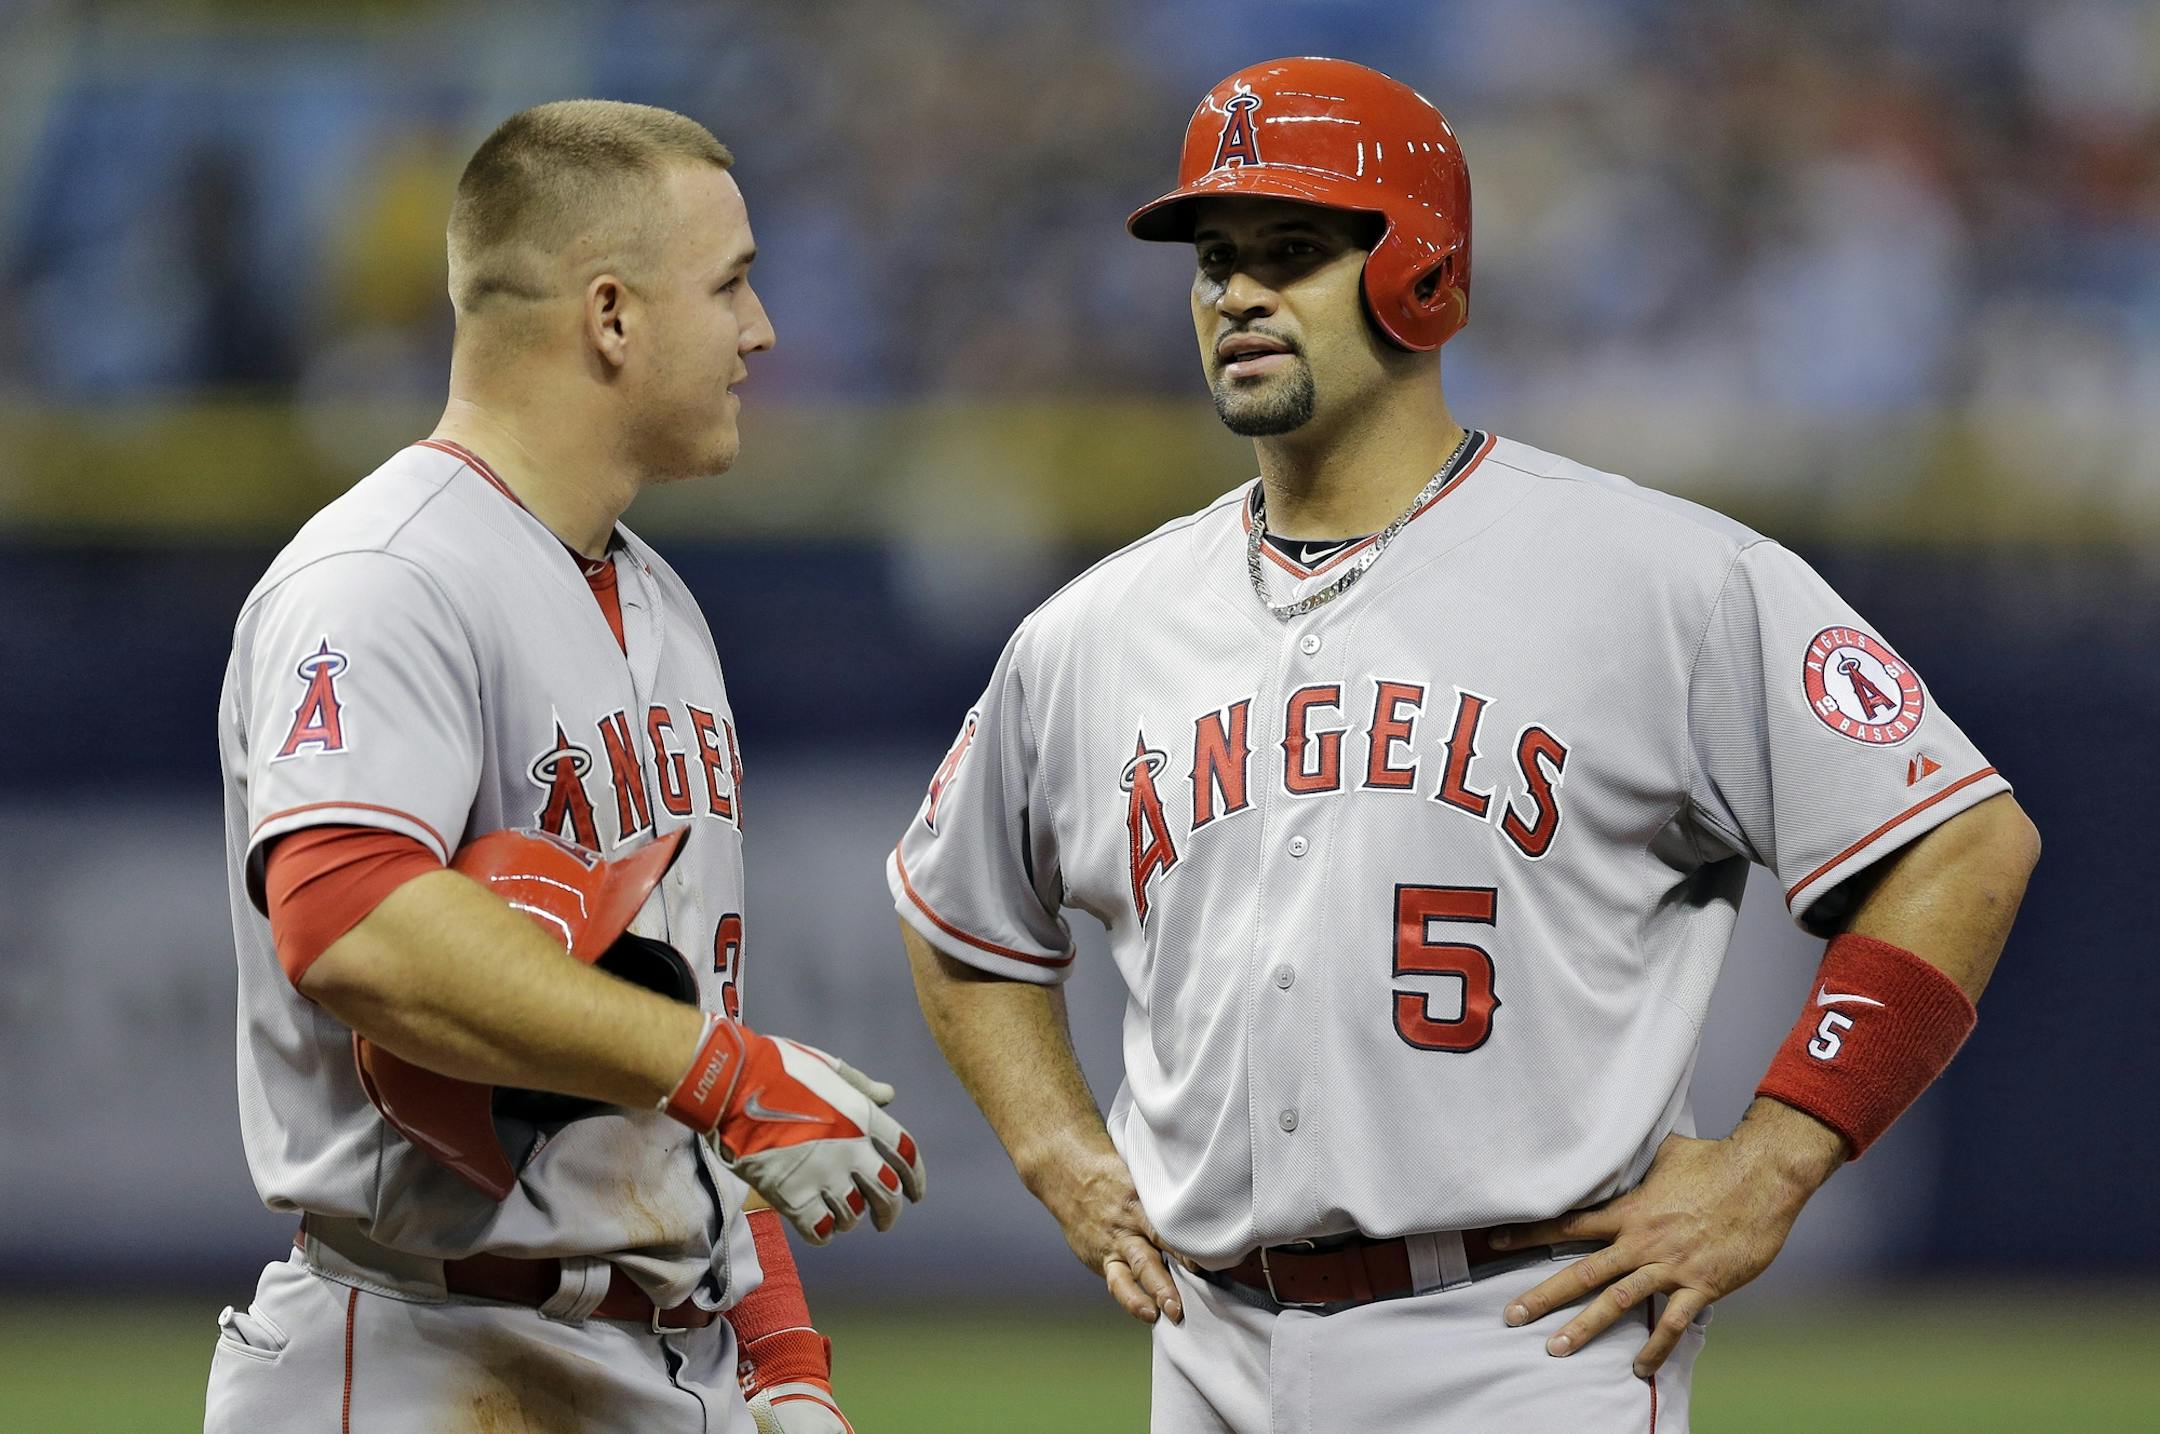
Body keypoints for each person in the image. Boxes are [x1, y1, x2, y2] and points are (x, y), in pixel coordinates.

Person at [889, 57, 2037, 1432]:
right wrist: (1058, 1148)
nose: (1235, 295)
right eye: (1213, 261)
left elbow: (1964, 838)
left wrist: (1776, 1157)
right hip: (1206, 1351)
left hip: (1522, 1339)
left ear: (1420, 269)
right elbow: (956, 911)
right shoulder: (1097, 627)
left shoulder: (1655, 575)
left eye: (1292, 251)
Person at [209, 100, 923, 1434]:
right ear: (612, 315)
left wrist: (782, 1358)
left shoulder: (661, 605)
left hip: (655, 1356)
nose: (760, 330)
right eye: (732, 285)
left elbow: (668, 1046)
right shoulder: (386, 576)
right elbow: (347, 916)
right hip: (424, 1354)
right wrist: (731, 1070)